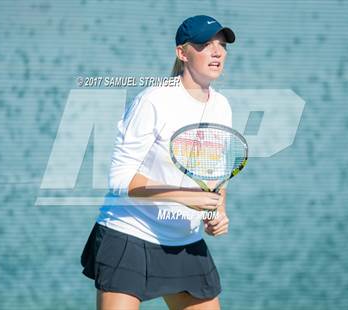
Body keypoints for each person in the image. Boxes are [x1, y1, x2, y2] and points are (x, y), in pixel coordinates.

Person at [81, 15, 236, 310]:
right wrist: (184, 197)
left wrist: (217, 213)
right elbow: (120, 180)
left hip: (186, 242)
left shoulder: (222, 107)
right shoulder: (153, 101)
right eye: (205, 44)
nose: (217, 52)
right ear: (182, 52)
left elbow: (217, 176)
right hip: (129, 235)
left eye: (222, 45)